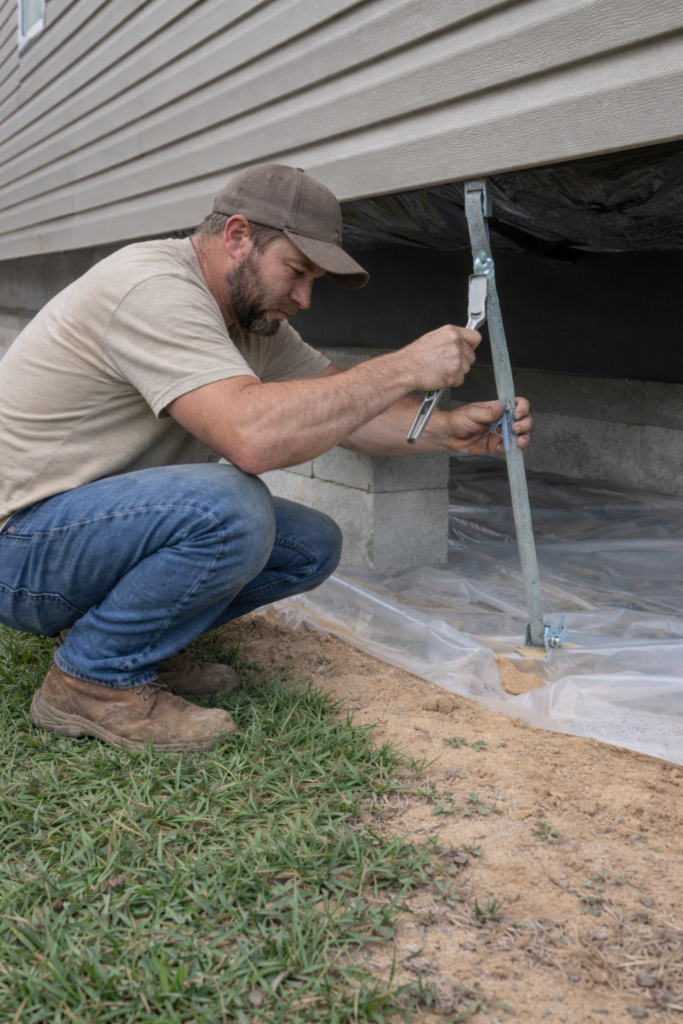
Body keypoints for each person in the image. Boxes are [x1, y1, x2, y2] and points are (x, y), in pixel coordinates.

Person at [0, 164, 532, 752]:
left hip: (77, 533)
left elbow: (343, 404)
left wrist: (447, 430)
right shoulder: (152, 289)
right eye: (296, 272)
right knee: (233, 507)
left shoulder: (251, 322)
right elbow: (251, 439)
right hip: (18, 547)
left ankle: (120, 640)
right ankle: (90, 680)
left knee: (309, 544)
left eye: (314, 281)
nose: (304, 298)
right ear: (236, 236)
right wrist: (404, 365)